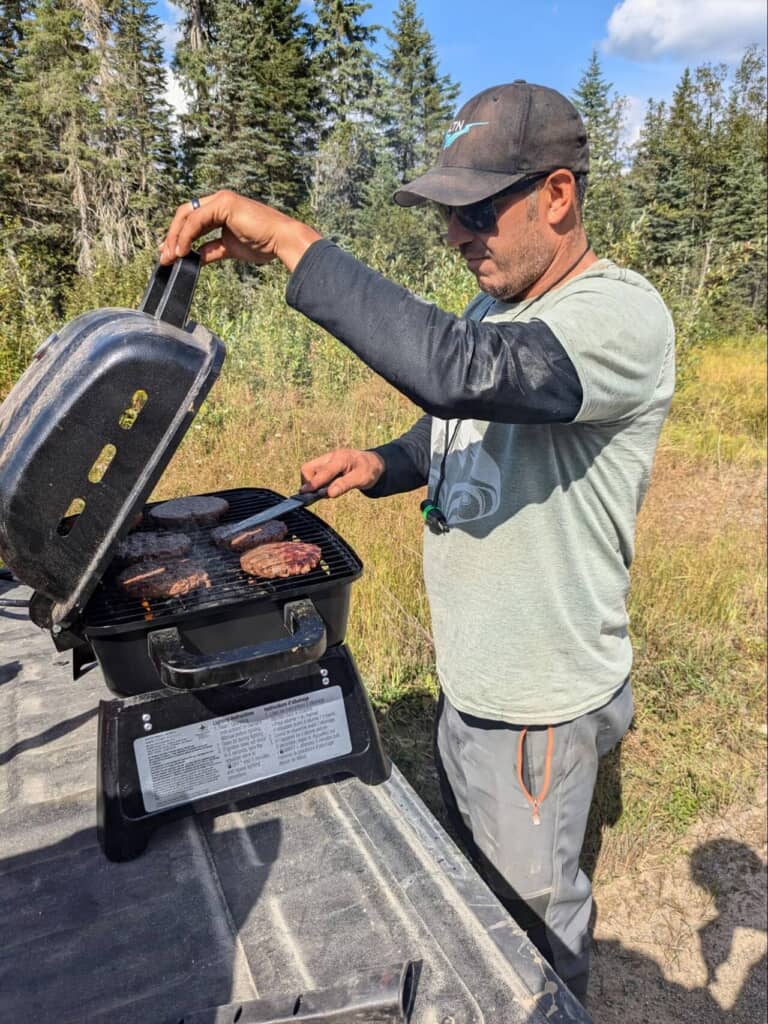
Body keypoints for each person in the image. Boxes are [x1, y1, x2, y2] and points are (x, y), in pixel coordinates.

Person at [160, 81, 675, 1006]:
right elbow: (466, 416)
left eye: (477, 211)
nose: (457, 236)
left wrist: (288, 240)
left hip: (537, 699)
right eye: (448, 216)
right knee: (474, 905)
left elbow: (461, 375)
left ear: (557, 196)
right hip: (476, 675)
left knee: (530, 946)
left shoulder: (618, 318)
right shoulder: (494, 311)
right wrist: (385, 462)